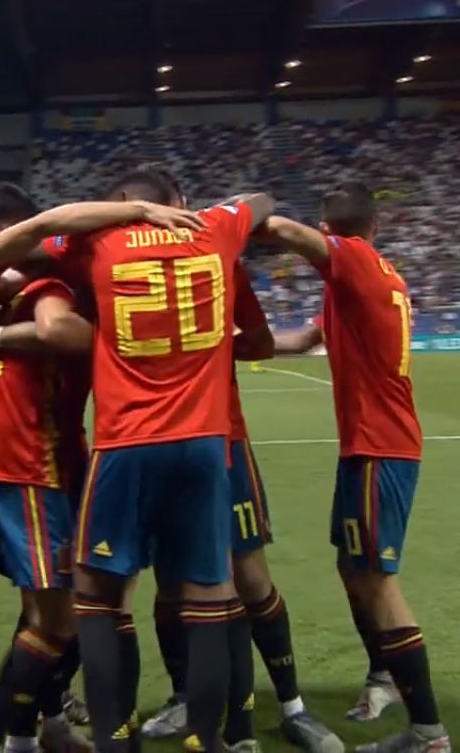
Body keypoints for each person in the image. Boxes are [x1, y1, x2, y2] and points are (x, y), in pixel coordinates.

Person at [0, 181, 204, 753]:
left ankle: (10, 729)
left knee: (25, 611)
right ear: (0, 234)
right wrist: (138, 211)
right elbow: (38, 242)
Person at [57, 167, 273, 752]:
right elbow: (260, 198)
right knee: (208, 597)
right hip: (205, 444)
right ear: (177, 201)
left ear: (123, 202)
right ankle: (208, 740)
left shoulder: (98, 239)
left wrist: (122, 215)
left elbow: (41, 234)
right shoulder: (215, 230)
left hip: (127, 441)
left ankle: (114, 739)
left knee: (98, 595)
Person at [266, 183, 450, 753]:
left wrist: (230, 221)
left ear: (333, 230)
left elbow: (285, 232)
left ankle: (428, 734)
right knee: (354, 570)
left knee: (376, 580)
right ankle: (385, 677)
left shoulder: (359, 263)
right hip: (366, 447)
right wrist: (226, 342)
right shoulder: (365, 277)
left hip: (382, 446)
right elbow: (298, 342)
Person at [142, 252, 341, 752]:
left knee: (246, 574)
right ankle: (186, 694)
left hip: (221, 439)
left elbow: (260, 339)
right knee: (170, 579)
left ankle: (291, 706)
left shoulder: (210, 262)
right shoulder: (123, 268)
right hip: (151, 443)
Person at [0, 271, 97, 753]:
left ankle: (44, 723)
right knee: (60, 617)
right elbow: (55, 329)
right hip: (31, 467)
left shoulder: (22, 297)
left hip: (58, 464)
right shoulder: (50, 289)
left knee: (55, 609)